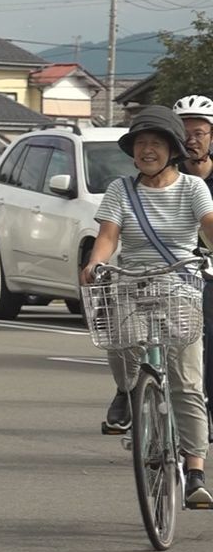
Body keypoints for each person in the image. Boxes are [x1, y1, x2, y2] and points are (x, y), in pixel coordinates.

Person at [83, 105, 213, 505]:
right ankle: (128, 389)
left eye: (156, 143)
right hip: (131, 280)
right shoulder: (121, 189)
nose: (147, 150)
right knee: (118, 341)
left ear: (173, 149)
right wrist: (96, 262)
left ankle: (195, 470)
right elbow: (108, 236)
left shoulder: (193, 188)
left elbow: (209, 229)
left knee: (187, 382)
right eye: (141, 143)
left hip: (180, 282)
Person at [173, 95, 213, 436]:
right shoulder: (162, 177)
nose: (192, 139)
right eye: (184, 132)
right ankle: (125, 393)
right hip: (172, 270)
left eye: (199, 132)